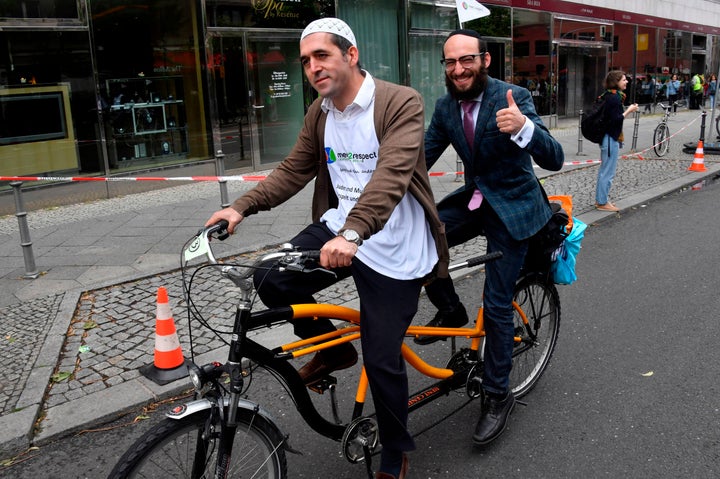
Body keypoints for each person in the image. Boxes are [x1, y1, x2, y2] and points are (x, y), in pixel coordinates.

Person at [205, 18, 447, 479]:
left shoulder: (400, 102)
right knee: (269, 276)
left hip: (392, 243)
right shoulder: (321, 112)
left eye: (322, 56)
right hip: (340, 229)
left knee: (382, 357)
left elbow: (391, 176)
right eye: (306, 61)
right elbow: (293, 170)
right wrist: (240, 207)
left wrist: (354, 233)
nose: (313, 67)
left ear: (350, 55)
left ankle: (396, 450)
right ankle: (332, 348)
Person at [415, 29, 564, 446]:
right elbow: (420, 160)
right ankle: (451, 309)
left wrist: (524, 130)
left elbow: (555, 158)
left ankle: (498, 396)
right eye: (450, 62)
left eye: (466, 60)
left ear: (484, 60)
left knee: (496, 304)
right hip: (477, 199)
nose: (458, 69)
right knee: (420, 233)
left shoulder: (512, 96)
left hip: (515, 205)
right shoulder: (446, 106)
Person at [595, 70, 639, 212]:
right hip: (609, 138)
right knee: (608, 171)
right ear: (616, 82)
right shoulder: (614, 98)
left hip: (607, 138)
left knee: (605, 170)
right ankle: (602, 202)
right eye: (624, 80)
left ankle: (602, 199)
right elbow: (616, 120)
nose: (626, 82)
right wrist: (629, 111)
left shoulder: (609, 96)